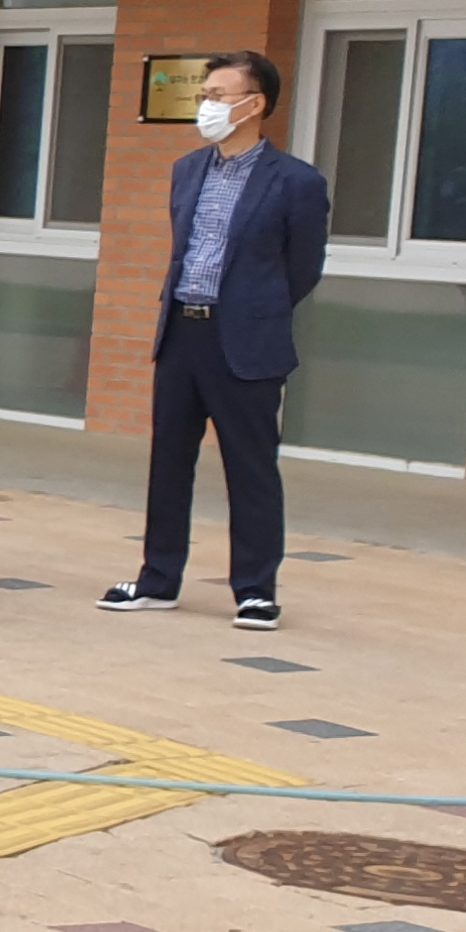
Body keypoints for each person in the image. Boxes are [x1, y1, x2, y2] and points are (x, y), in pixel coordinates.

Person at [103, 52, 328, 631]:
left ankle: (254, 589)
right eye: (205, 93)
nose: (208, 105)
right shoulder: (187, 169)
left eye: (221, 94)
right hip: (181, 331)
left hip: (245, 343)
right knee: (168, 462)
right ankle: (157, 578)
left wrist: (256, 313)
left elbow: (301, 270)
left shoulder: (297, 182)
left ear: (256, 105)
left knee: (251, 469)